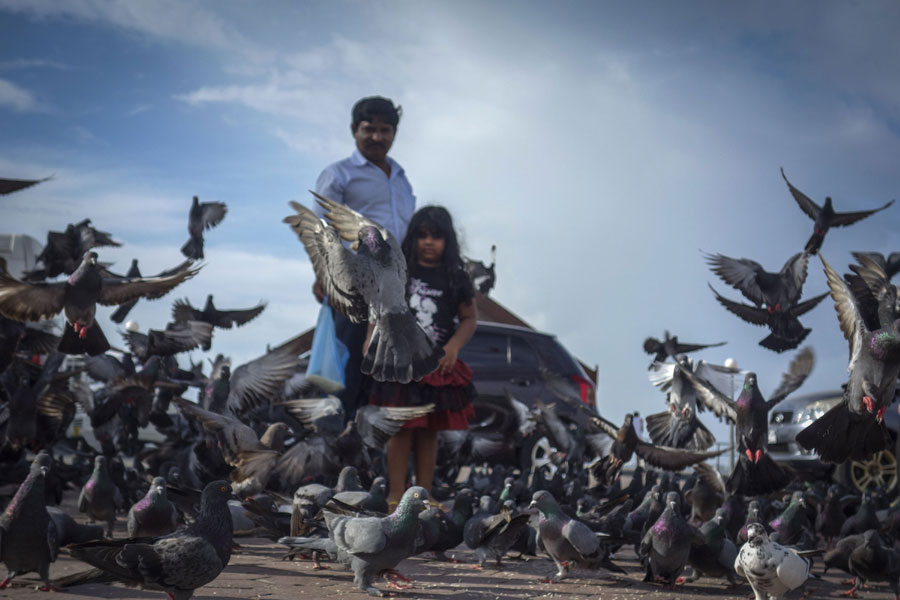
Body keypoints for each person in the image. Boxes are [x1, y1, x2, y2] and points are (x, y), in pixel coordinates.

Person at [312, 96, 416, 420]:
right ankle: (337, 452)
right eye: (369, 129)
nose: (377, 137)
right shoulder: (339, 174)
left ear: (394, 133)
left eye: (385, 130)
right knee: (348, 370)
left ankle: (367, 457)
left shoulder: (401, 178)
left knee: (382, 372)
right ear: (354, 131)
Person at [367, 206, 478, 505]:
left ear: (448, 241)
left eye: (437, 237)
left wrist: (453, 347)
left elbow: (469, 319)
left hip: (437, 368)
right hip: (401, 364)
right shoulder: (399, 272)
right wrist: (370, 342)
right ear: (413, 238)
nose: (429, 242)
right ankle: (394, 496)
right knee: (401, 430)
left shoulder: (456, 277)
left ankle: (423, 496)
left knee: (429, 432)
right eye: (423, 236)